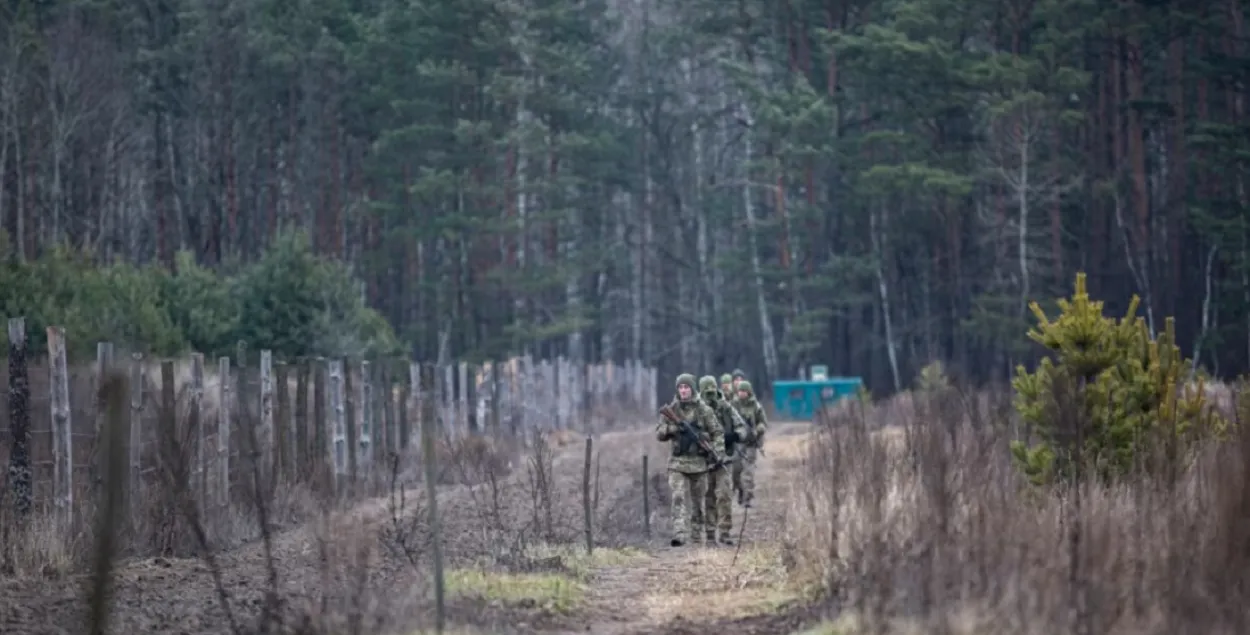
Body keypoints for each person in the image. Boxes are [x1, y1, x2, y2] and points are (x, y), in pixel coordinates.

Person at [655, 373, 723, 547]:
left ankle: (696, 534)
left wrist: (716, 451)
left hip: (699, 464)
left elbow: (718, 433)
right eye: (680, 387)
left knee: (698, 502)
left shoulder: (704, 410)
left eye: (686, 387)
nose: (683, 390)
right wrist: (673, 429)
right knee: (678, 496)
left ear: (692, 389)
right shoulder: (672, 409)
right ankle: (679, 532)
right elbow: (659, 433)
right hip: (677, 463)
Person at [695, 375, 745, 545]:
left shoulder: (726, 407)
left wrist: (735, 435)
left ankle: (724, 531)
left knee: (724, 495)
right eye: (706, 390)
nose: (709, 394)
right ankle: (710, 533)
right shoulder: (697, 410)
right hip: (705, 460)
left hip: (725, 459)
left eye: (712, 389)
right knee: (708, 496)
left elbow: (742, 427)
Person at [732, 380, 768, 507]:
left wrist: (758, 429)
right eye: (740, 391)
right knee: (735, 470)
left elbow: (763, 422)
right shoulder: (733, 405)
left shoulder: (756, 406)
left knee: (748, 471)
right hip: (737, 443)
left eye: (744, 391)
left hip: (751, 443)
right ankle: (741, 490)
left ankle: (747, 497)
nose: (741, 393)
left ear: (749, 392)